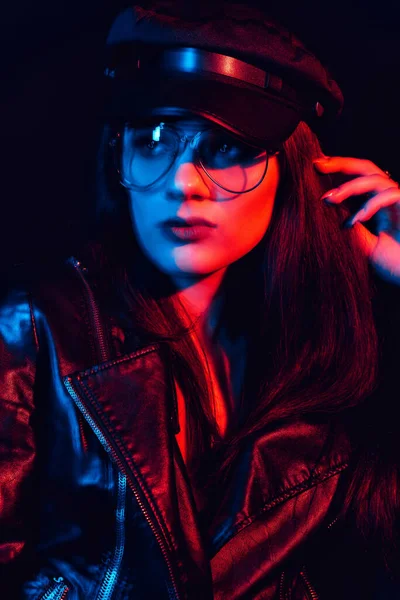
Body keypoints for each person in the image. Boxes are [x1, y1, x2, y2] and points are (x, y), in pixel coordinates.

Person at [1, 2, 400, 598]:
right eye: (154, 138)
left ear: (294, 173)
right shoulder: (35, 332)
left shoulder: (326, 360)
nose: (184, 183)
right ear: (118, 158)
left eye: (227, 146)